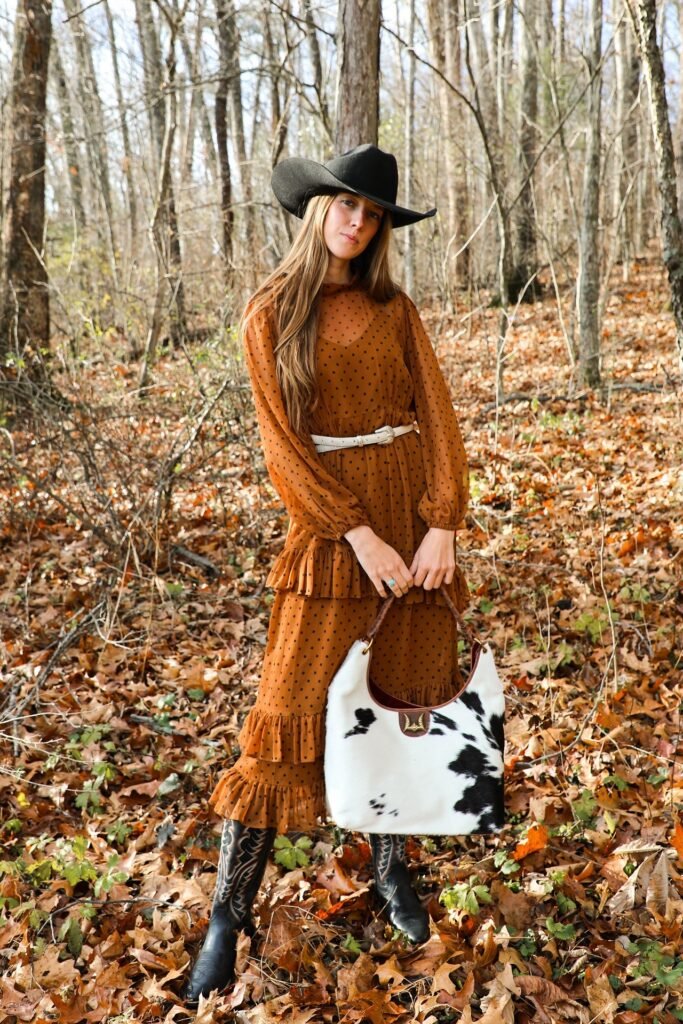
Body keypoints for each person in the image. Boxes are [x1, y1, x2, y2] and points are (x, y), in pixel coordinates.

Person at [182, 143, 470, 1005]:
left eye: (373, 213)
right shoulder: (270, 313)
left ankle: (390, 876)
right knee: (285, 715)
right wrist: (354, 535)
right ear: (315, 209)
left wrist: (442, 522)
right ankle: (228, 916)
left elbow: (440, 415)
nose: (357, 221)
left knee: (399, 706)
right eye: (345, 205)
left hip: (411, 531)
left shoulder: (394, 309)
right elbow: (282, 450)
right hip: (331, 534)